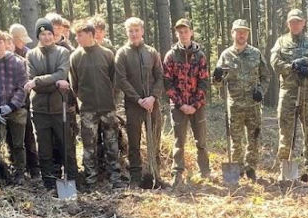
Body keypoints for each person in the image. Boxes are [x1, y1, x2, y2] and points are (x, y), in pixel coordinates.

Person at [270, 9, 308, 179]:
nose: (295, 25)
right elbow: (275, 62)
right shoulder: (281, 42)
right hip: (288, 93)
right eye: (292, 22)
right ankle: (286, 167)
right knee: (286, 131)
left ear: (304, 23)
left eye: (298, 21)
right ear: (288, 24)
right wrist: (291, 67)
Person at [24, 17, 77, 190]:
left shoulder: (62, 52)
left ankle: (72, 182)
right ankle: (49, 183)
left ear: (54, 35)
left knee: (66, 147)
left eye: (49, 33)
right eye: (43, 34)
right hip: (39, 110)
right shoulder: (31, 55)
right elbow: (32, 81)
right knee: (44, 149)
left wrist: (39, 82)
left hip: (59, 107)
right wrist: (52, 83)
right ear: (38, 36)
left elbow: (61, 74)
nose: (46, 37)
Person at [70, 19, 123, 188]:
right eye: (76, 35)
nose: (77, 38)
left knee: (111, 143)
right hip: (88, 110)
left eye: (80, 35)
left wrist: (111, 101)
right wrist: (83, 101)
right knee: (89, 146)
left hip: (108, 108)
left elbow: (115, 82)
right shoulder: (75, 57)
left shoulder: (107, 54)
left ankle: (114, 177)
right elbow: (74, 85)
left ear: (91, 34)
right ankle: (91, 179)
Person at [214, 18, 269, 180]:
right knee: (235, 140)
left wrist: (261, 90)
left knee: (254, 137)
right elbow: (218, 84)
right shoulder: (226, 55)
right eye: (238, 32)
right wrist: (217, 78)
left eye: (244, 32)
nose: (241, 35)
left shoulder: (255, 53)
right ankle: (236, 169)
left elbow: (266, 76)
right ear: (233, 34)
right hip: (235, 105)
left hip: (253, 105)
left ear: (248, 34)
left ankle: (251, 168)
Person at [115, 17, 164, 187]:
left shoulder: (151, 52)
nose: (134, 34)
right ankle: (135, 177)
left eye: (136, 30)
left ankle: (155, 175)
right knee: (134, 143)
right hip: (134, 106)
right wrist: (138, 99)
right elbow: (121, 80)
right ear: (127, 33)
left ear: (142, 31)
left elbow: (160, 77)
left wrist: (153, 97)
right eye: (130, 31)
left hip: (153, 104)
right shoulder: (122, 53)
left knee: (154, 141)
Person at [163, 18, 210, 186]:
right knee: (179, 141)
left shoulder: (200, 55)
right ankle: (177, 173)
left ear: (191, 32)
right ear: (177, 34)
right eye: (180, 32)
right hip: (178, 106)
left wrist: (195, 105)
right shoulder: (171, 55)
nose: (183, 35)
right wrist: (181, 104)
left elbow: (204, 82)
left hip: (197, 106)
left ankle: (205, 172)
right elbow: (167, 83)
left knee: (201, 141)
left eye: (185, 31)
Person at [0, 28, 29, 183]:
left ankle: (20, 172)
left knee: (18, 144)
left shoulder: (17, 62)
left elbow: (23, 86)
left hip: (16, 110)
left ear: (5, 43)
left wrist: (11, 106)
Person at [8, 24, 39, 178]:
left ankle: (34, 168)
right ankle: (18, 168)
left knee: (29, 138)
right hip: (8, 105)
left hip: (25, 102)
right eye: (21, 40)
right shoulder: (6, 55)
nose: (24, 43)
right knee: (13, 141)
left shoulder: (27, 54)